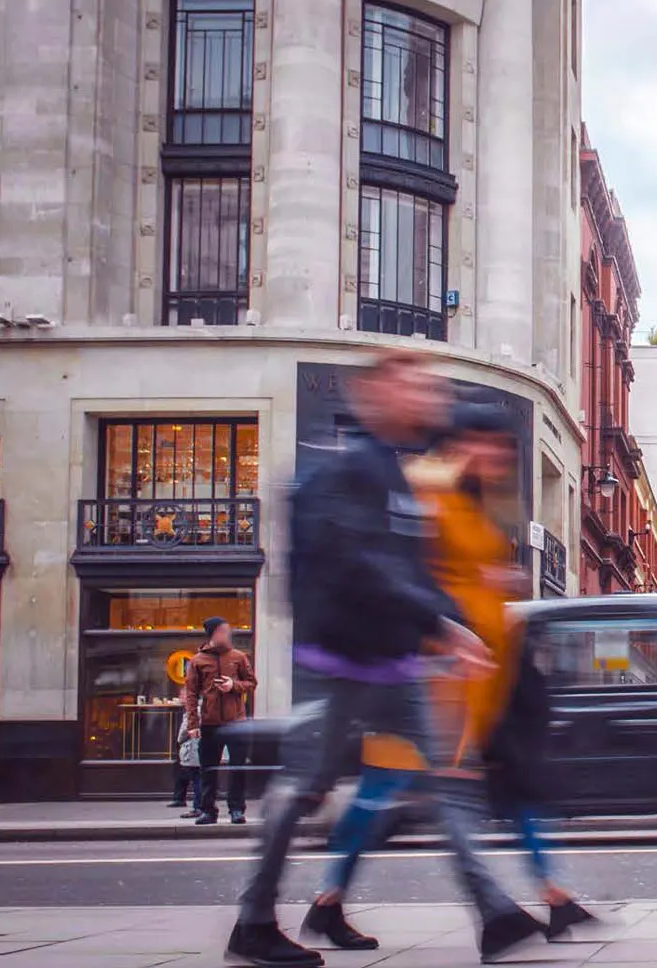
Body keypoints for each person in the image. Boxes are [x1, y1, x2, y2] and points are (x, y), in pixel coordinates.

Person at [226, 351, 540, 968]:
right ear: (374, 392)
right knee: (303, 789)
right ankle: (255, 920)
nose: (429, 398)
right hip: (340, 662)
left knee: (450, 786)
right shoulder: (348, 470)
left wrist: (452, 623)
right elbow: (359, 564)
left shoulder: (398, 475)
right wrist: (442, 626)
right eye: (415, 386)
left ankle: (496, 913)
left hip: (396, 664)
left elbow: (414, 571)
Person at [310, 403, 595, 942]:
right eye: (487, 443)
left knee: (422, 791)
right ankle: (497, 913)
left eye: (504, 448)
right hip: (430, 673)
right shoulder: (428, 487)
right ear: (461, 441)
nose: (499, 456)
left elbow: (457, 572)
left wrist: (496, 582)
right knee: (392, 790)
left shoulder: (475, 498)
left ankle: (332, 900)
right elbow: (403, 572)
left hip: (479, 676)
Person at [187, 616, 256, 825]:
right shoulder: (198, 661)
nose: (227, 634)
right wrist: (192, 724)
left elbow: (252, 683)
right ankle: (208, 811)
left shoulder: (239, 657)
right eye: (223, 631)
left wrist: (233, 685)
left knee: (238, 767)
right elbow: (190, 694)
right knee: (208, 769)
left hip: (236, 722)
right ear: (213, 634)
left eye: (228, 630)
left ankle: (236, 809)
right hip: (209, 723)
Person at [171, 680, 199, 817]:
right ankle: (184, 799)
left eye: (183, 694)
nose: (181, 697)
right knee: (196, 777)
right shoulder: (203, 707)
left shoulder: (193, 710)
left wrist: (179, 740)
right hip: (196, 749)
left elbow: (185, 730)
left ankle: (198, 807)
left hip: (192, 749)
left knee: (196, 779)